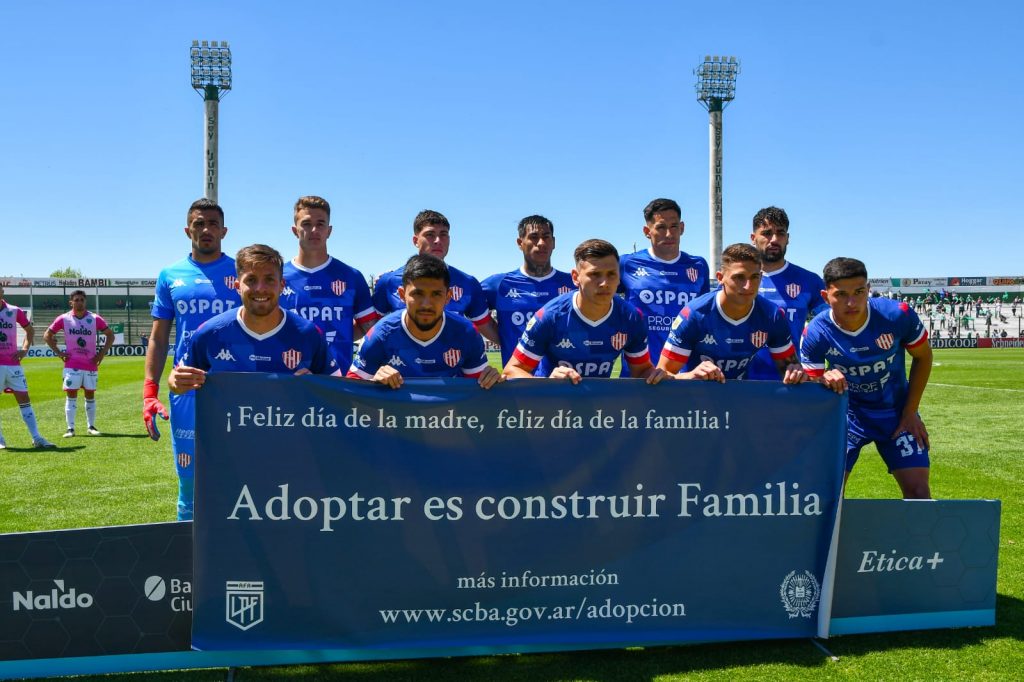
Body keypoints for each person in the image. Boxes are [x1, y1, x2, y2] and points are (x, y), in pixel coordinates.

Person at [801, 257, 933, 499]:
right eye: (840, 294)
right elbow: (811, 388)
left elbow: (924, 357)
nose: (851, 302)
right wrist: (822, 380)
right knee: (828, 496)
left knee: (919, 493)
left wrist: (911, 411)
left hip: (896, 413)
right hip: (847, 416)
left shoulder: (896, 315)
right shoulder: (816, 333)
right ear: (824, 296)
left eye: (859, 292)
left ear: (868, 289)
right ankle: (836, 539)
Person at [143, 198, 240, 521]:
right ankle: (189, 558)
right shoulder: (170, 275)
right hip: (187, 386)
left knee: (240, 475)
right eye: (199, 223)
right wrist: (149, 393)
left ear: (224, 230)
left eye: (213, 223)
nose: (206, 229)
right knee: (189, 481)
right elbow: (158, 337)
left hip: (235, 386)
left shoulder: (242, 272)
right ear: (188, 230)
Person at [169, 244, 337, 394]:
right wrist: (177, 381)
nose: (260, 289)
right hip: (226, 429)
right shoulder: (210, 333)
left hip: (290, 429)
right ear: (237, 287)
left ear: (282, 286)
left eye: (269, 280)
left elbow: (338, 390)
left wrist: (316, 385)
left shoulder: (308, 334)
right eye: (251, 280)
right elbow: (176, 382)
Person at [502, 239, 666, 384]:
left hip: (597, 410)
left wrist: (656, 375)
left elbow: (641, 371)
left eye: (611, 274)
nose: (604, 283)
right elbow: (512, 371)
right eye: (595, 275)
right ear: (575, 277)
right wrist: (547, 384)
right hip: (553, 408)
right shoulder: (550, 317)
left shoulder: (631, 317)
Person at [348, 255, 502, 389]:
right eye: (418, 294)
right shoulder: (382, 334)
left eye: (436, 294)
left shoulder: (466, 332)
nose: (426, 304)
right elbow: (350, 387)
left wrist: (490, 381)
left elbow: (477, 393)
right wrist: (374, 381)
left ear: (448, 297)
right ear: (402, 295)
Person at [656, 244, 802, 382]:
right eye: (739, 277)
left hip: (737, 398)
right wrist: (690, 376)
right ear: (720, 278)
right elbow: (663, 373)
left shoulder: (772, 315)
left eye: (754, 277)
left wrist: (796, 373)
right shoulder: (695, 314)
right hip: (695, 398)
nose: (748, 286)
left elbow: (789, 369)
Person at [281, 196, 378, 370]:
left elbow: (369, 328)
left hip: (338, 382)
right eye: (306, 224)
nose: (314, 230)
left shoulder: (351, 276)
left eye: (320, 224)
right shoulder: (278, 277)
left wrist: (343, 335)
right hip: (290, 380)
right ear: (295, 230)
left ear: (329, 230)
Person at [371, 210, 499, 343]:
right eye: (430, 235)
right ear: (415, 240)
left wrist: (519, 356)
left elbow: (486, 326)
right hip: (402, 361)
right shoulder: (389, 281)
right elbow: (370, 327)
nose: (438, 241)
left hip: (451, 361)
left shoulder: (468, 283)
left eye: (443, 234)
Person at [618, 198, 710, 373]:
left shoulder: (698, 265)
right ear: (647, 231)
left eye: (674, 226)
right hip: (639, 372)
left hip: (687, 373)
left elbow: (705, 317)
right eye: (661, 227)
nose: (669, 234)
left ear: (682, 228)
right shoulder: (626, 263)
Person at [481, 215, 574, 373]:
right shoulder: (498, 284)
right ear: (520, 243)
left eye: (546, 237)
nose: (541, 243)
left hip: (562, 383)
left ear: (554, 242)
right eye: (533, 237)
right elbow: (471, 310)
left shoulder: (572, 284)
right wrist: (503, 337)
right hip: (518, 382)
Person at [746, 206, 829, 380]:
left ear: (788, 238)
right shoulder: (737, 280)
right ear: (753, 238)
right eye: (767, 233)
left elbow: (832, 326)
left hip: (790, 380)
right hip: (741, 382)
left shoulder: (809, 281)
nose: (774, 239)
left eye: (780, 233)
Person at [43, 289, 115, 437]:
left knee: (90, 395)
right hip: (72, 364)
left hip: (90, 364)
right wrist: (59, 352)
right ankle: (70, 428)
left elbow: (110, 335)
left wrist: (101, 353)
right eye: (76, 300)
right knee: (71, 395)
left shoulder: (95, 318)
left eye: (82, 300)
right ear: (71, 302)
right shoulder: (64, 318)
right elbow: (47, 335)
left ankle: (91, 427)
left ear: (85, 301)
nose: (79, 302)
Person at [0, 286, 56, 449]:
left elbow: (29, 330)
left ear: (2, 292)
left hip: (13, 365)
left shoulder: (14, 310)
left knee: (25, 400)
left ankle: (36, 437)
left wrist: (24, 349)